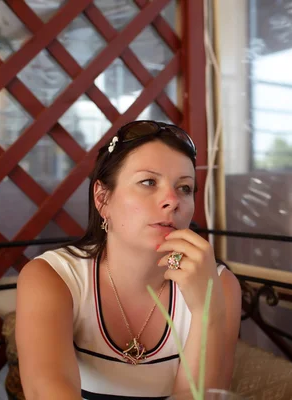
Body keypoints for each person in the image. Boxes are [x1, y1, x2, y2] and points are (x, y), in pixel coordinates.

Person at [15, 120, 242, 399]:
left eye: (185, 188)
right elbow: (46, 391)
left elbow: (202, 396)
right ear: (102, 198)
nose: (172, 200)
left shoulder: (219, 284)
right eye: (148, 182)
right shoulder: (53, 278)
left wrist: (209, 312)